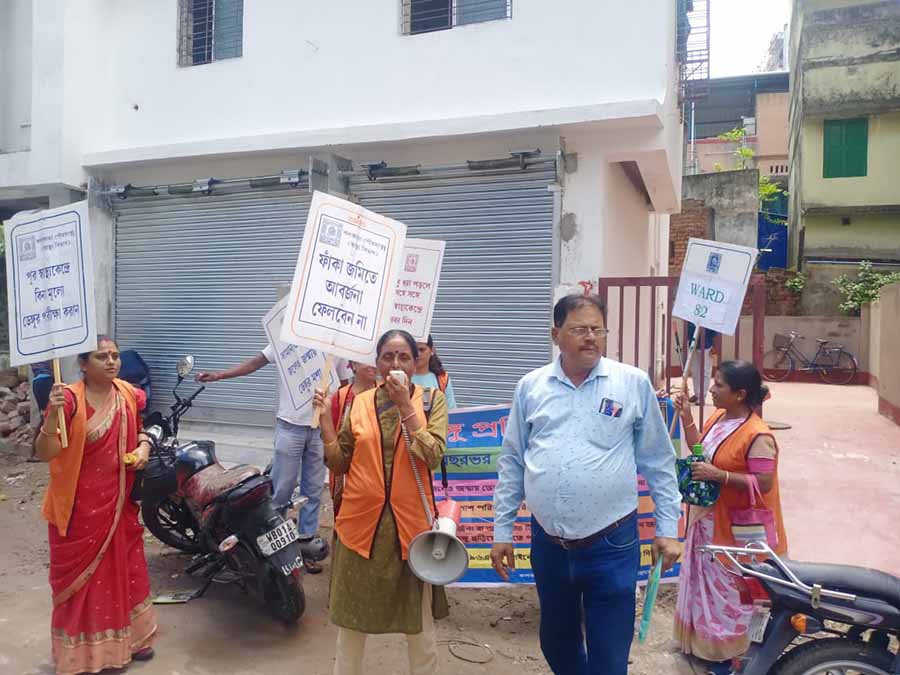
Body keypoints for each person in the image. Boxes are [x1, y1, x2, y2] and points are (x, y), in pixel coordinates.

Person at [491, 294, 683, 675]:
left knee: (609, 653)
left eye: (598, 329)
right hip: (549, 544)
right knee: (556, 642)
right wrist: (502, 530)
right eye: (580, 329)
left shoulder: (631, 383)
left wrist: (667, 528)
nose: (591, 337)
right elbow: (513, 460)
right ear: (556, 334)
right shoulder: (531, 387)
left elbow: (659, 459)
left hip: (611, 543)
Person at [315, 330, 450, 675]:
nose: (395, 364)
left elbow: (432, 454)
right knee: (351, 629)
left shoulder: (432, 400)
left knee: (420, 630)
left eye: (403, 356)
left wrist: (406, 405)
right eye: (387, 357)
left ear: (415, 361)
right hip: (360, 531)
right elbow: (340, 461)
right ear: (376, 364)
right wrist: (325, 421)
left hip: (411, 531)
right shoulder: (359, 403)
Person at [34, 336, 157, 675]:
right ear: (84, 364)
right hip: (78, 512)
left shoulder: (129, 395)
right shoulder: (68, 400)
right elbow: (45, 453)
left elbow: (142, 431)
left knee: (126, 572)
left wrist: (144, 448)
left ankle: (132, 641)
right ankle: (81, 657)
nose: (111, 361)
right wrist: (51, 417)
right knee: (83, 585)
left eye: (115, 355)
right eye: (102, 356)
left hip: (121, 506)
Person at [672, 360, 788, 675]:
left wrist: (719, 475)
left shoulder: (758, 435)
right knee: (704, 588)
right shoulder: (718, 417)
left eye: (718, 384)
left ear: (739, 394)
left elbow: (763, 484)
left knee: (732, 595)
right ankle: (705, 647)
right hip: (708, 521)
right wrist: (684, 417)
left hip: (737, 531)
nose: (710, 388)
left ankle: (731, 657)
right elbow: (702, 452)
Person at [196, 346, 332, 573]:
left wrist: (335, 429)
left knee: (313, 490)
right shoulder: (285, 336)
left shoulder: (333, 346)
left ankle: (305, 544)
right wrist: (221, 375)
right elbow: (256, 362)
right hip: (290, 426)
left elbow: (344, 385)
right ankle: (275, 546)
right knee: (281, 490)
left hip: (320, 428)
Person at [327, 360, 379, 518]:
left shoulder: (386, 394)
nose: (371, 365)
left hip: (375, 467)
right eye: (365, 361)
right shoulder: (340, 397)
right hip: (346, 470)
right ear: (353, 365)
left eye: (375, 360)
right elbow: (332, 435)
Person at [413, 334, 457, 410]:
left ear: (432, 350)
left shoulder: (442, 379)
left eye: (422, 349)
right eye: (414, 350)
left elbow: (451, 411)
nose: (417, 354)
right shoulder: (401, 378)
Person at [686, 322, 718, 404]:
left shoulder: (710, 315)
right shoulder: (692, 314)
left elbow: (715, 331)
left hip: (707, 344)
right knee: (695, 370)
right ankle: (697, 394)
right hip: (693, 345)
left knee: (705, 371)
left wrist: (715, 345)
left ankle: (701, 396)